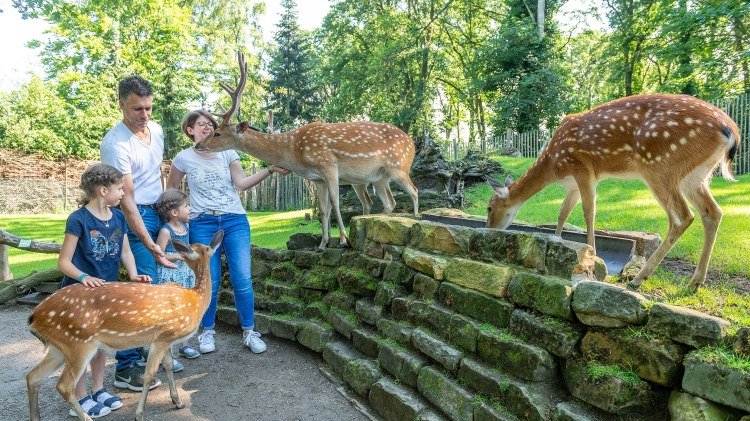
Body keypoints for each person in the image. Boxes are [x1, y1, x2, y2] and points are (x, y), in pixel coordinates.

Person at [166, 110, 290, 354]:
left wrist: (270, 170)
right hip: (202, 222)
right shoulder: (183, 158)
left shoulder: (228, 153)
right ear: (190, 130)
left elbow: (241, 184)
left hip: (234, 220)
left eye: (210, 124)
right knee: (207, 279)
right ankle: (207, 332)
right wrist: (177, 219)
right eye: (202, 124)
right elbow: (170, 192)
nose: (208, 128)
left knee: (242, 277)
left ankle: (249, 331)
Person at [57, 163, 152, 418]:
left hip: (106, 294)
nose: (123, 193)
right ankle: (80, 397)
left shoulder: (118, 216)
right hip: (80, 295)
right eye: (119, 188)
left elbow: (125, 251)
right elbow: (63, 262)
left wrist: (133, 275)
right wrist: (84, 277)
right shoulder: (78, 219)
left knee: (100, 347)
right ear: (102, 190)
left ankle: (98, 390)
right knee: (81, 348)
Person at [100, 75, 174, 391]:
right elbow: (127, 200)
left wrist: (165, 207)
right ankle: (126, 368)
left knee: (157, 288)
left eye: (148, 108)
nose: (145, 115)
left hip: (155, 210)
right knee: (141, 291)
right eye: (137, 109)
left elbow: (156, 170)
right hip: (134, 216)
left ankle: (148, 354)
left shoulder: (155, 130)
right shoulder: (115, 143)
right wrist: (148, 242)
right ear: (121, 105)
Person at [154, 189, 199, 365]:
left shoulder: (186, 227)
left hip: (185, 273)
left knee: (185, 310)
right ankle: (168, 354)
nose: (189, 209)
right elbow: (159, 254)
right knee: (171, 313)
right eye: (186, 206)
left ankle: (184, 345)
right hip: (171, 273)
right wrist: (179, 256)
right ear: (174, 212)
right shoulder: (166, 231)